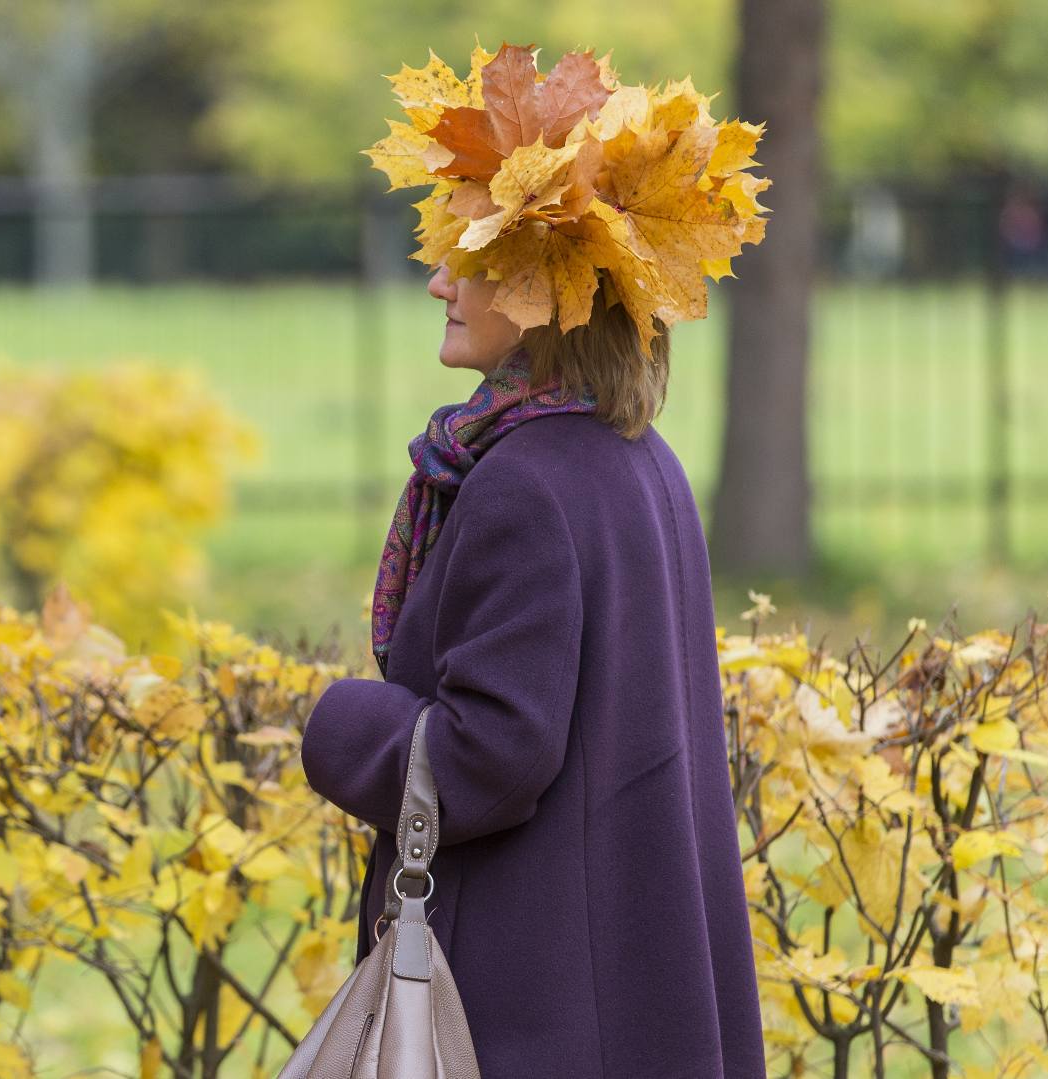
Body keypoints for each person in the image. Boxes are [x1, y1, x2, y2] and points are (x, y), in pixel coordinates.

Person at [300, 46, 769, 1076]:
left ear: (549, 280)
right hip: (635, 989)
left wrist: (337, 724)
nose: (436, 281)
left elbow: (489, 757)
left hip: (536, 1005)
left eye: (467, 257)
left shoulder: (525, 481)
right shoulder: (635, 461)